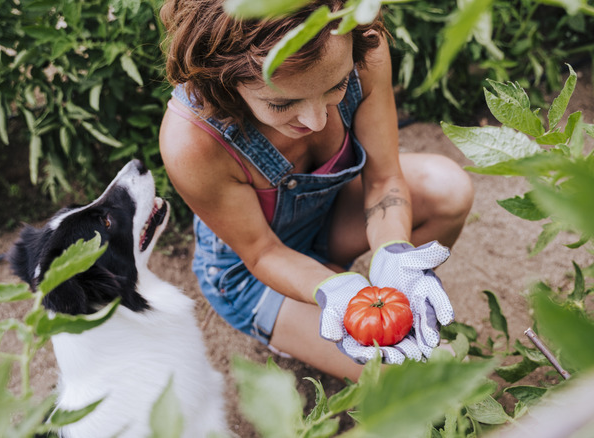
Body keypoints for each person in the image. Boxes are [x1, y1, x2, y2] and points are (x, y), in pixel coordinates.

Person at [158, 0, 474, 381]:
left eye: (337, 85)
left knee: (447, 189)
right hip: (255, 272)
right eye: (281, 103)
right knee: (415, 383)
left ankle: (356, 285)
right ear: (225, 84)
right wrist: (330, 289)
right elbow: (262, 252)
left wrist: (394, 251)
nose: (317, 119)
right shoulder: (191, 142)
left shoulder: (365, 48)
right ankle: (302, 313)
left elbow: (384, 180)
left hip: (330, 214)